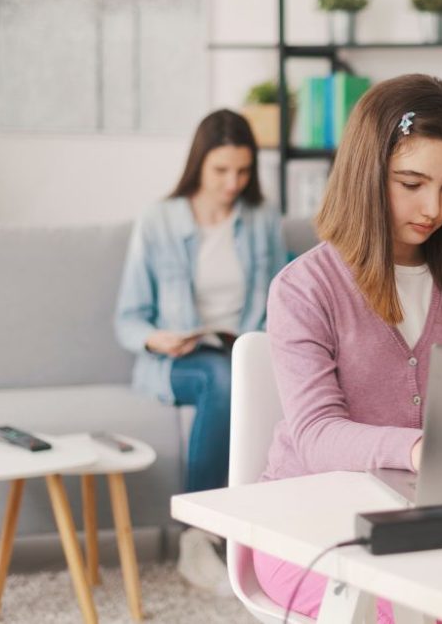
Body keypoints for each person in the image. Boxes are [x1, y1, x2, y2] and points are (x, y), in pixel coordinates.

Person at [253, 74, 442, 621]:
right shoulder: (304, 288)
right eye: (411, 182)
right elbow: (318, 436)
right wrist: (421, 449)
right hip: (309, 527)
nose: (433, 207)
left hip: (432, 520)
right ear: (367, 174)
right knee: (427, 610)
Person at [114, 109, 286, 589]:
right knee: (223, 378)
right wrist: (157, 337)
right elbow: (128, 319)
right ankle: (199, 534)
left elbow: (279, 297)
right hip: (177, 361)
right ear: (198, 165)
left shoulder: (261, 219)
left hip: (241, 350)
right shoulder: (158, 220)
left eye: (244, 171)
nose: (233, 182)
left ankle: (264, 532)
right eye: (221, 171)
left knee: (237, 372)